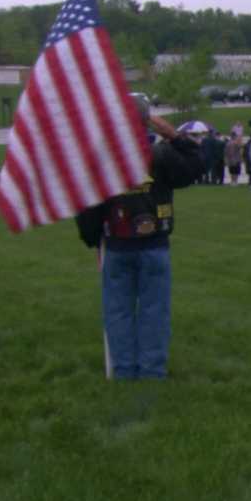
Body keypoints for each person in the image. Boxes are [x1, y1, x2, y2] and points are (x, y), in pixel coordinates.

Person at [75, 107, 202, 380]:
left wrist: (91, 236)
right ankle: (152, 370)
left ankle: (124, 369)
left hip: (118, 244)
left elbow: (87, 204)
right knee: (154, 310)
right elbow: (198, 163)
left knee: (118, 311)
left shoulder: (104, 160)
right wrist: (174, 136)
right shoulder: (161, 154)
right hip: (154, 243)